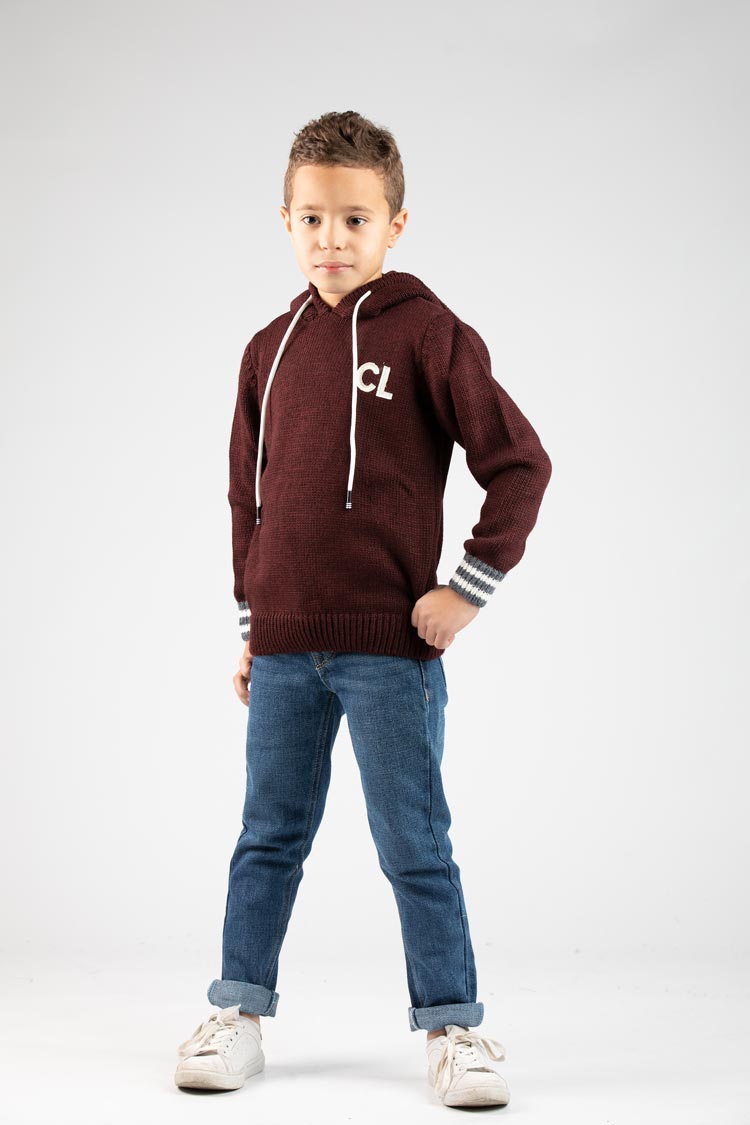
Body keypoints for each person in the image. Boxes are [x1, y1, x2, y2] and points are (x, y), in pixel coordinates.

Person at [174, 109, 552, 1107]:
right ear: (285, 223)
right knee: (266, 836)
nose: (331, 239)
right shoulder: (266, 349)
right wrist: (254, 628)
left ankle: (455, 1027)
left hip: (392, 649)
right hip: (285, 650)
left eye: (354, 219)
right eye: (312, 219)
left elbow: (520, 463)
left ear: (395, 225)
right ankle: (237, 1011)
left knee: (413, 842)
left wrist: (466, 590)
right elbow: (246, 501)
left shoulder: (428, 332)